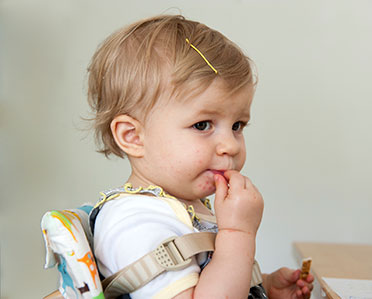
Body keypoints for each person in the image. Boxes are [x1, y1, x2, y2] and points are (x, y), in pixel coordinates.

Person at [86, 14, 314, 298]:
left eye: (237, 126)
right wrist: (238, 235)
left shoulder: (185, 209)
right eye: (203, 125)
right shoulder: (135, 223)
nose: (230, 145)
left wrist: (265, 286)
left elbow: (206, 281)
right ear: (133, 136)